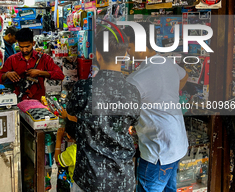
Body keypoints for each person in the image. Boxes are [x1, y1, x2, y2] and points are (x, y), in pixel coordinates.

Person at [66, 28, 141, 192]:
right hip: (123, 179)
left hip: (90, 178)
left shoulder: (84, 88)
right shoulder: (132, 92)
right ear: (124, 56)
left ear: (97, 54)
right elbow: (132, 122)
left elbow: (70, 112)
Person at [124, 22, 189, 192]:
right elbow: (184, 75)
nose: (127, 51)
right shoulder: (165, 62)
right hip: (176, 144)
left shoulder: (137, 79)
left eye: (128, 45)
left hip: (158, 152)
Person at [0, 28, 64, 101]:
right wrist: (7, 74)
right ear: (18, 44)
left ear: (33, 43)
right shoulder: (12, 59)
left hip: (38, 101)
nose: (24, 50)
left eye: (27, 47)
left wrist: (40, 73)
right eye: (21, 47)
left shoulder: (44, 58)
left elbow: (60, 75)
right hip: (18, 101)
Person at [55, 118, 82, 192]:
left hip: (78, 185)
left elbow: (58, 161)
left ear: (68, 135)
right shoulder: (87, 144)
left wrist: (58, 139)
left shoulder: (72, 151)